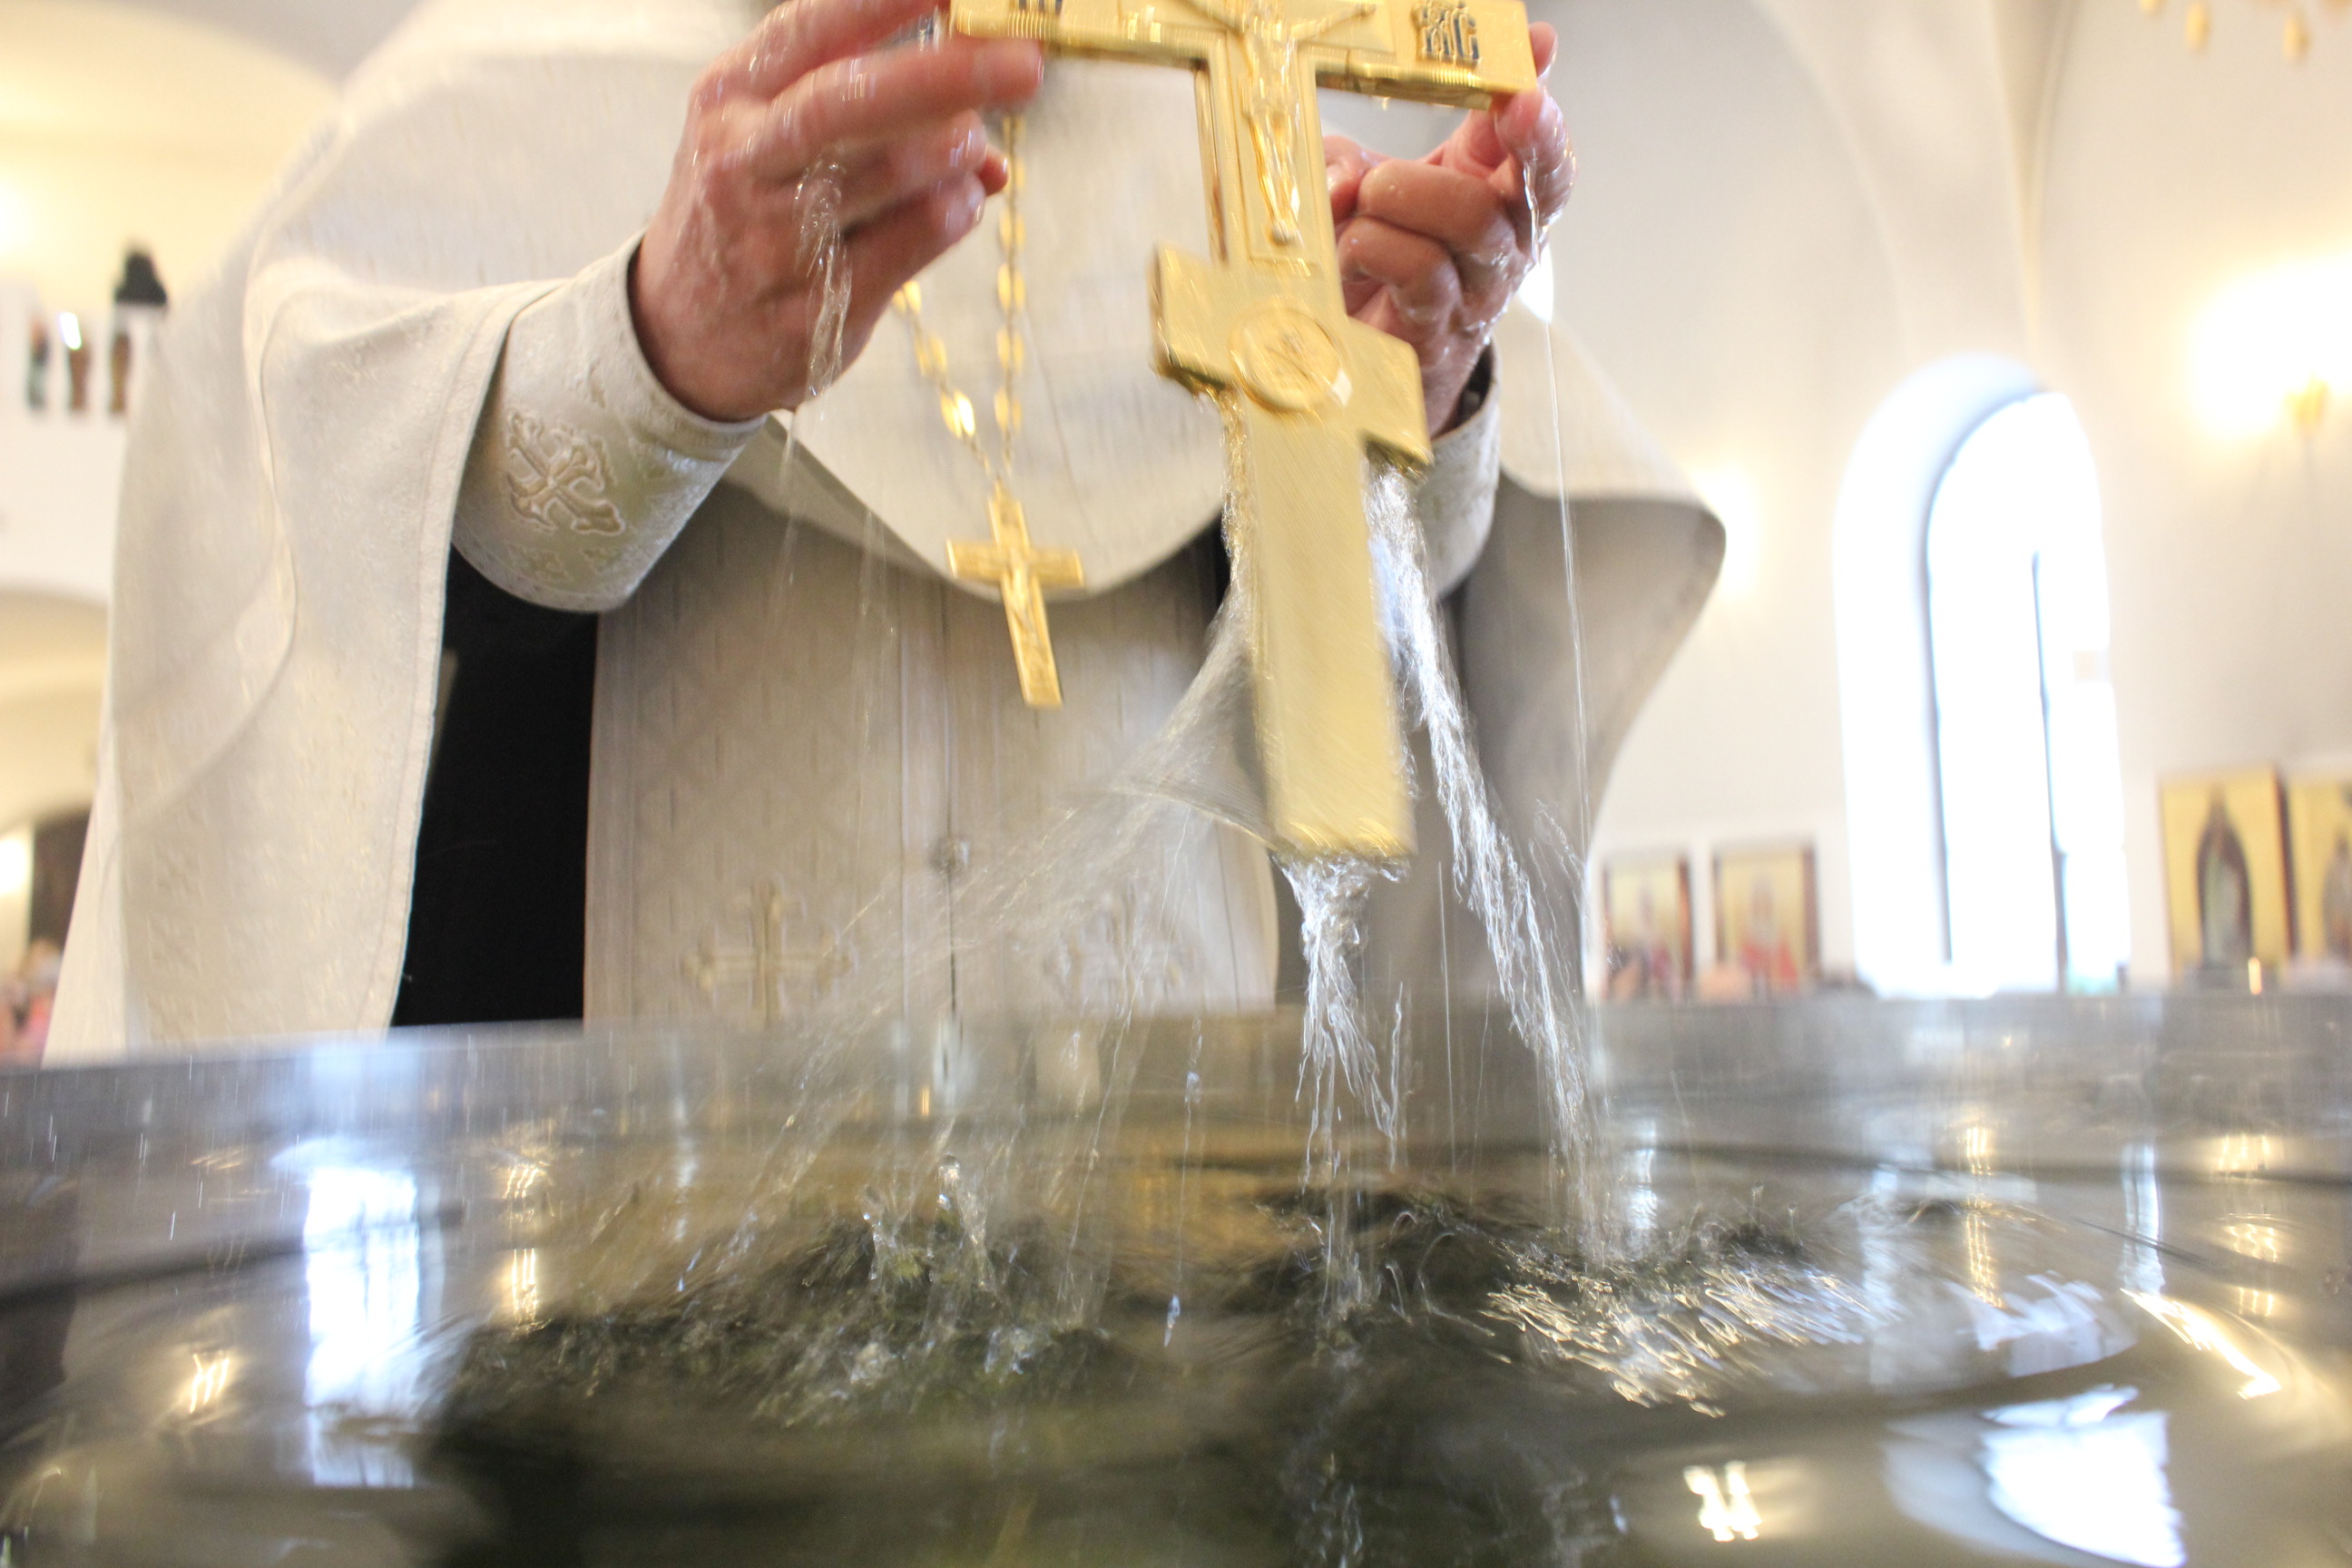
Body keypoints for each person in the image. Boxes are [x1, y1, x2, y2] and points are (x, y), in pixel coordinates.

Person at [52, 0, 1721, 1056]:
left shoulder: (1246, 123)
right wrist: (644, 353)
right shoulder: (516, 71)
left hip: (1183, 1265)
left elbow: (1379, 695)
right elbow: (308, 536)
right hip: (634, 1280)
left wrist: (1401, 404)